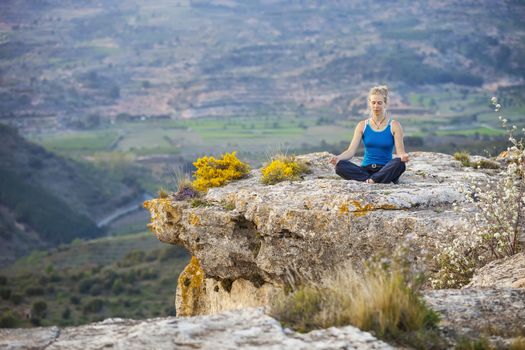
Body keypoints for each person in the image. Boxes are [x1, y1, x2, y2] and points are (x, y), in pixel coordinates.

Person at [330, 85, 409, 184]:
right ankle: (373, 180)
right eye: (373, 103)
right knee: (340, 166)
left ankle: (372, 179)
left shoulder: (394, 125)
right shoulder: (362, 125)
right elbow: (350, 151)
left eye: (379, 103)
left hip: (385, 169)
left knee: (400, 163)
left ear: (385, 104)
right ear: (369, 104)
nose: (376, 106)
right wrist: (338, 158)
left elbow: (400, 152)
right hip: (365, 170)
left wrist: (403, 156)